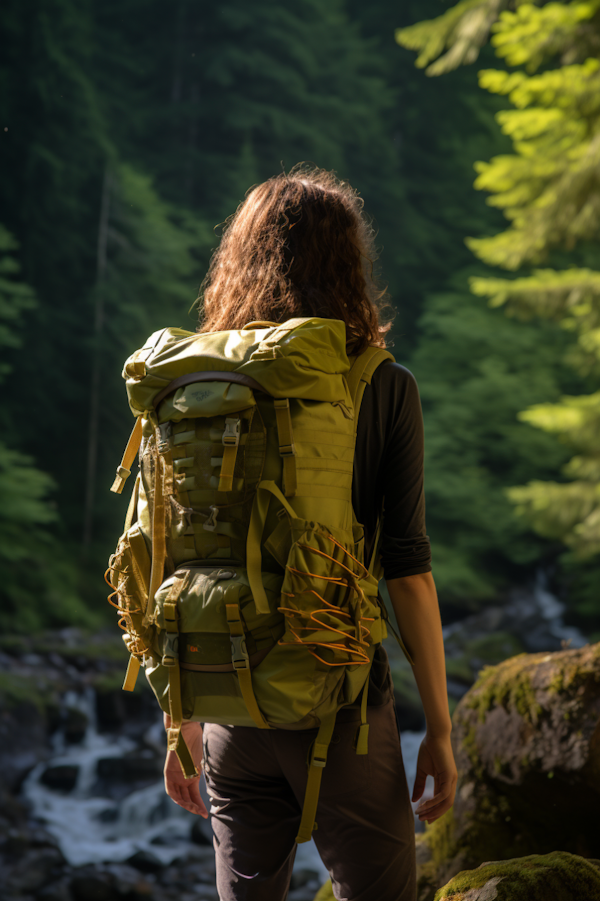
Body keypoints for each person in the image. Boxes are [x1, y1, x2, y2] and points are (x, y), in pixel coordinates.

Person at [162, 164, 458, 901]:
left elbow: (178, 552)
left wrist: (179, 722)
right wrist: (441, 734)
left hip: (228, 693)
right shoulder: (382, 384)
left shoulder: (201, 389)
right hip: (341, 703)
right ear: (349, 265)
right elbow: (407, 568)